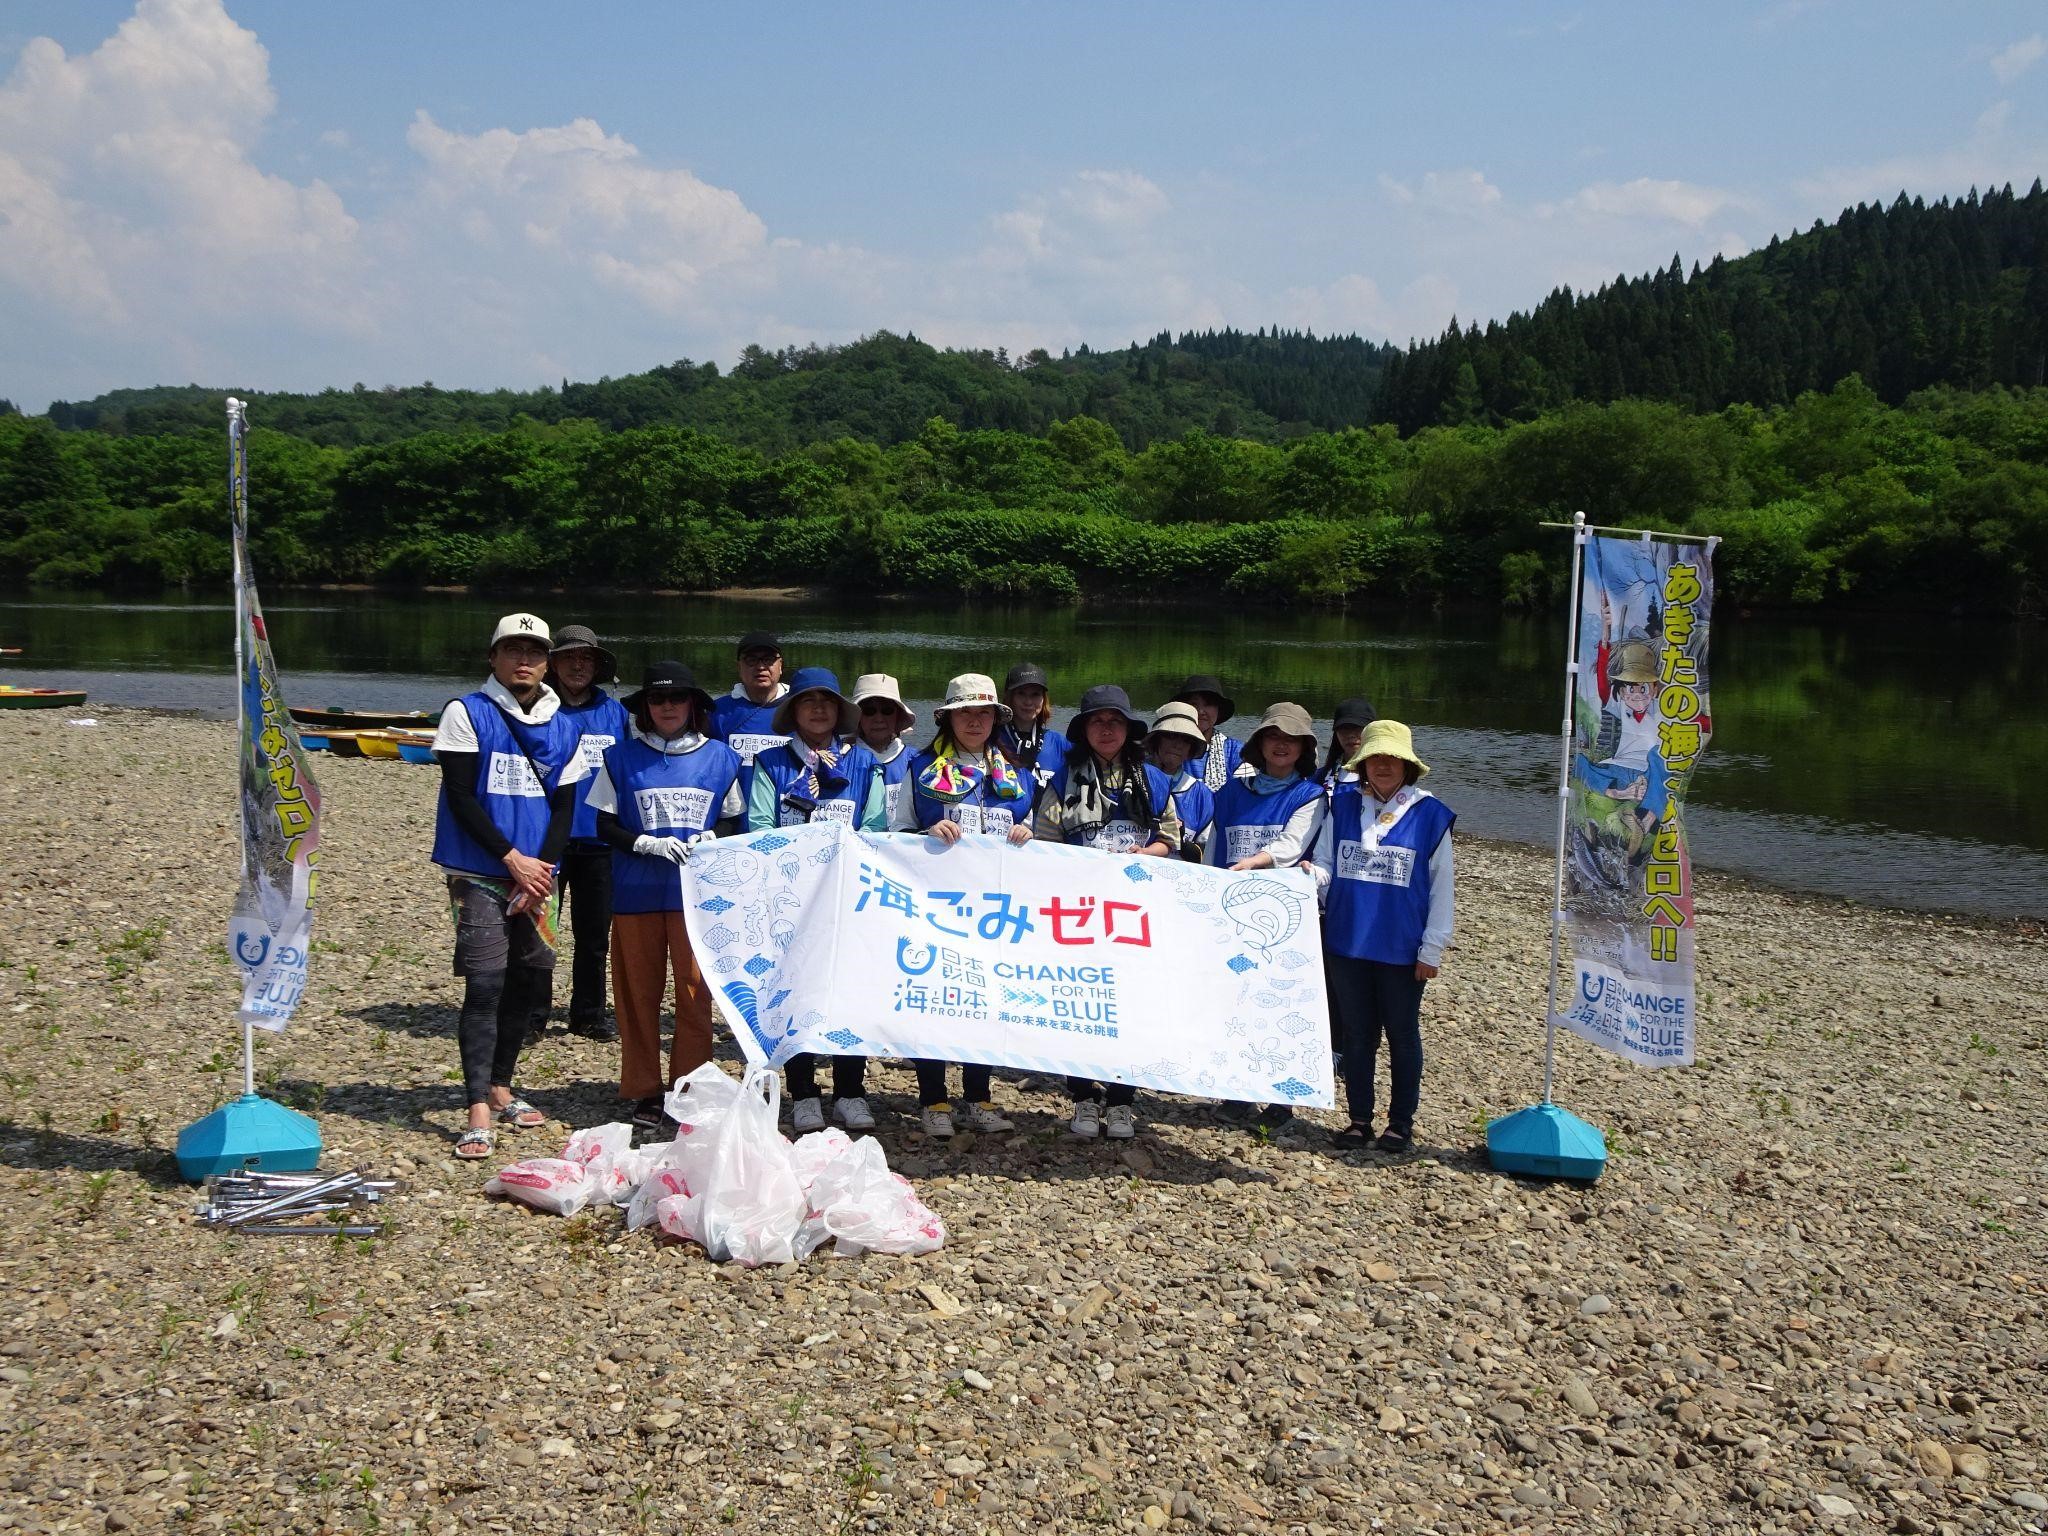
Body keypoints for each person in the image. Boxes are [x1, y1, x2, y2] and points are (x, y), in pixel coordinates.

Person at [430, 613, 587, 1160]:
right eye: (513, 650)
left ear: (547, 662)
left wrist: (541, 868)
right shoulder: (465, 712)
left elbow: (566, 807)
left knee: (528, 982)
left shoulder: (565, 725)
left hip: (540, 876)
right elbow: (461, 796)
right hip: (481, 871)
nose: (524, 660)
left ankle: (502, 1084)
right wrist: (510, 859)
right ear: (493, 657)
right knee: (485, 983)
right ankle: (476, 1104)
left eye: (535, 652)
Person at [585, 661, 743, 1130]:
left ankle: (689, 1087)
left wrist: (714, 836)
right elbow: (603, 822)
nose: (668, 706)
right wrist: (642, 842)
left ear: (693, 705)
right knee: (637, 996)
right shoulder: (619, 758)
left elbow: (735, 819)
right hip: (636, 893)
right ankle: (646, 1089)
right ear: (645, 708)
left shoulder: (721, 758)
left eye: (677, 698)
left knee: (694, 996)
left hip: (697, 898)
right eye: (658, 699)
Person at [1035, 684, 1181, 1140]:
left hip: (1132, 912)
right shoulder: (1062, 780)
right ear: (1083, 730)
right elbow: (1045, 839)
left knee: (1129, 1005)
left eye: (1114, 722)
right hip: (1078, 911)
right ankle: (1081, 1097)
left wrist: (1146, 854)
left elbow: (1171, 837)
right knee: (1080, 1003)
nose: (1106, 729)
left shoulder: (1154, 780)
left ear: (1127, 730)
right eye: (1097, 722)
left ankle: (1121, 1102)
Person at [892, 673, 1033, 1138]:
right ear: (948, 718)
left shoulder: (1018, 776)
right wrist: (923, 834)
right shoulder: (918, 768)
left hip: (996, 910)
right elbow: (895, 834)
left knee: (988, 998)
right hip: (937, 907)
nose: (975, 720)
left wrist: (1028, 834)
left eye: (984, 712)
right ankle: (932, 1098)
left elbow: (1036, 836)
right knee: (935, 997)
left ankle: (979, 1095)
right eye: (966, 712)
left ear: (996, 718)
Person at [747, 667, 886, 1133]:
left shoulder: (865, 764)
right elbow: (760, 829)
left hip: (849, 898)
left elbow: (877, 830)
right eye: (809, 702)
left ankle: (851, 1090)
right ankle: (803, 1092)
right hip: (793, 901)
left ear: (840, 710)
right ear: (793, 711)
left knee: (850, 992)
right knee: (796, 990)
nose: (820, 709)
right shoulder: (772, 764)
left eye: (828, 701)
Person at [1308, 719, 1455, 1154]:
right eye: (1375, 758)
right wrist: (1308, 877)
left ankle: (1401, 1124)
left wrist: (1433, 947)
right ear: (1363, 764)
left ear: (1407, 766)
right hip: (1347, 942)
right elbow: (1326, 863)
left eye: (1392, 759)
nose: (1383, 766)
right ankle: (1358, 1120)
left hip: (1402, 948)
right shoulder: (1345, 806)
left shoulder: (1432, 815)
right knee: (1356, 1034)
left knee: (1403, 1035)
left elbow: (1441, 886)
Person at [539, 624, 629, 1042]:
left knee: (594, 936)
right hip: (545, 840)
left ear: (596, 665)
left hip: (599, 840)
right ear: (553, 663)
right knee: (539, 931)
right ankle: (533, 1013)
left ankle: (588, 1014)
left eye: (586, 658)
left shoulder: (616, 714)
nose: (578, 664)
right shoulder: (538, 708)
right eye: (569, 657)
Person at [1206, 703, 1327, 873]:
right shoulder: (1230, 791)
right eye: (1273, 736)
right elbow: (1212, 849)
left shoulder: (1311, 796)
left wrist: (1253, 862)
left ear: (1303, 747)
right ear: (1260, 742)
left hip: (1280, 894)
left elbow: (1291, 845)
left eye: (1291, 738)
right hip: (1227, 889)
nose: (1281, 744)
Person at [708, 630, 789, 795]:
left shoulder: (799, 709)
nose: (760, 667)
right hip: (732, 818)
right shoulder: (717, 712)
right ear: (739, 666)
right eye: (751, 660)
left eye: (768, 660)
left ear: (780, 665)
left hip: (786, 817)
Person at [1144, 701, 1215, 862]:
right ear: (1156, 740)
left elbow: (1205, 852)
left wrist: (1181, 842)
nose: (1177, 745)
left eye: (1185, 739)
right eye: (1170, 736)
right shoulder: (1132, 780)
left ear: (1192, 748)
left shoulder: (1201, 795)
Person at [851, 673, 918, 830]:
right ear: (857, 717)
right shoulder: (842, 760)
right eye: (869, 711)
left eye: (887, 710)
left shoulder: (915, 761)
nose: (879, 718)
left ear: (897, 715)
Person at [998, 662, 1068, 805]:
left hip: (1045, 825)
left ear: (1044, 699)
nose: (1028, 702)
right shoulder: (992, 738)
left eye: (1035, 694)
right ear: (1009, 697)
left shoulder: (1060, 743)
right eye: (1021, 693)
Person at [1173, 673, 1244, 791]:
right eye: (1194, 704)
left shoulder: (1236, 752)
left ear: (1219, 710)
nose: (1201, 711)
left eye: (1209, 704)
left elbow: (1245, 797)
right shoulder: (1167, 747)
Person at [1316, 697, 1377, 789]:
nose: (1351, 735)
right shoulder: (1319, 779)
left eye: (1358, 728)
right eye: (1344, 728)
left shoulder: (1389, 777)